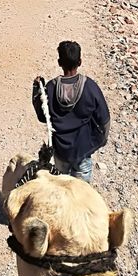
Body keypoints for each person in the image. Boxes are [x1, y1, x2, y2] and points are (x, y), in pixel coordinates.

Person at [32, 40, 110, 183]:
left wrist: (37, 91)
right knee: (80, 192)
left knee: (61, 188)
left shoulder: (51, 88)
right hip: (83, 150)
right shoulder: (89, 87)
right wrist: (100, 141)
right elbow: (104, 119)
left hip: (60, 152)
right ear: (80, 62)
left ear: (59, 62)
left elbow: (43, 117)